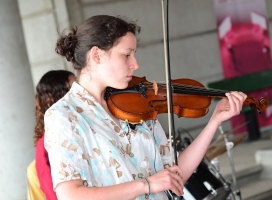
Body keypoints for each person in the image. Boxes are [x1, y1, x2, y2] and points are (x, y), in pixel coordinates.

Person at [44, 15, 247, 200]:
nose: (135, 64)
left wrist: (215, 121)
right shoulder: (63, 116)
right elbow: (71, 195)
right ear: (97, 55)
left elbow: (174, 175)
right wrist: (146, 185)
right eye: (127, 55)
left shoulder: (137, 103)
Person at [33, 70, 76, 200]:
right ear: (57, 97)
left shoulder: (72, 131)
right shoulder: (46, 143)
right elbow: (53, 194)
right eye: (74, 88)